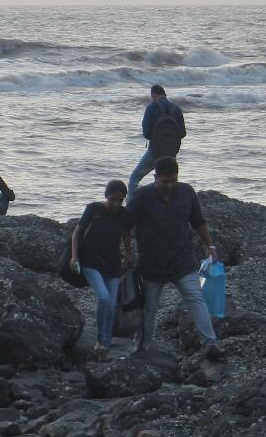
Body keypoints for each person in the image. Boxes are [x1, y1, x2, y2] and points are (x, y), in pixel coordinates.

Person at [122, 157, 222, 357]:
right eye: (164, 181)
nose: (169, 185)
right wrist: (129, 253)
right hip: (152, 263)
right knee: (149, 307)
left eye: (173, 181)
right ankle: (142, 347)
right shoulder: (141, 196)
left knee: (196, 298)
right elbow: (125, 225)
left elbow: (198, 221)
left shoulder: (186, 192)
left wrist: (210, 245)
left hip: (182, 259)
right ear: (155, 177)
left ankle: (210, 343)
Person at [70, 179, 134, 356]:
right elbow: (77, 232)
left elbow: (126, 235)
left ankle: (106, 341)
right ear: (106, 195)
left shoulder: (123, 214)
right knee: (104, 298)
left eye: (119, 200)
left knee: (112, 304)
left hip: (113, 263)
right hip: (90, 262)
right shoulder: (94, 209)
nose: (115, 203)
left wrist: (129, 255)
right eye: (112, 199)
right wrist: (74, 256)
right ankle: (100, 338)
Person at [128, 85, 187, 195]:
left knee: (134, 178)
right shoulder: (176, 109)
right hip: (171, 153)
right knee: (169, 181)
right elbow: (182, 133)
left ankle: (130, 208)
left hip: (154, 151)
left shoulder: (151, 108)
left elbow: (146, 134)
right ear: (165, 94)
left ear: (153, 95)